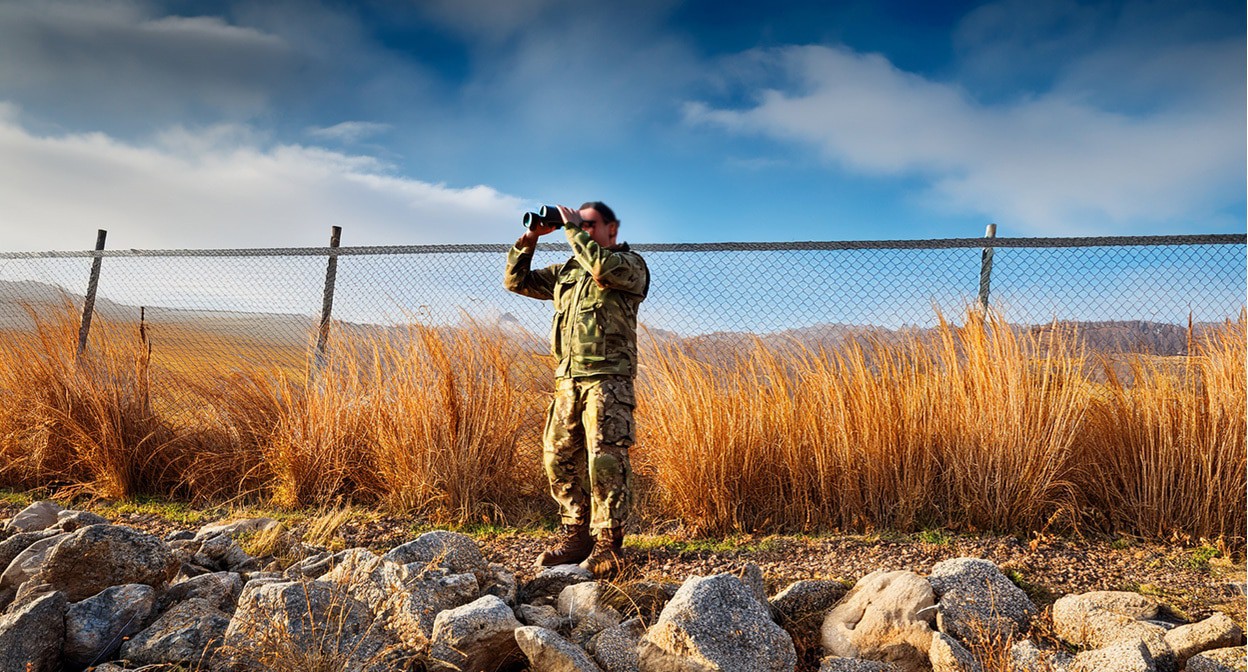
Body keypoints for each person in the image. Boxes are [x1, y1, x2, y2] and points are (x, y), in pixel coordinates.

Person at [503, 201, 649, 577]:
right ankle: (576, 536)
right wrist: (530, 239)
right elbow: (515, 282)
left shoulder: (628, 266)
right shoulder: (567, 272)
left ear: (611, 228)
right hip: (567, 379)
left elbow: (599, 265)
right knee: (558, 457)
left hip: (608, 380)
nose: (580, 228)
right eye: (577, 222)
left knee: (604, 462)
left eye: (589, 223)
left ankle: (608, 545)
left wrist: (571, 230)